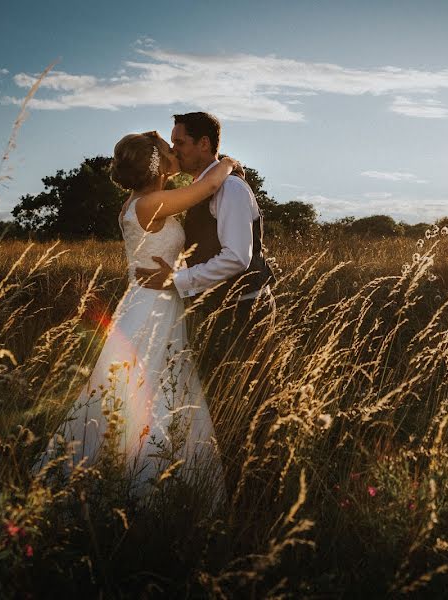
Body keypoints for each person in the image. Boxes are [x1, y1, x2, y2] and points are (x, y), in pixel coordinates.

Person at [36, 131, 238, 503]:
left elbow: (178, 185)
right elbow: (210, 185)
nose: (175, 153)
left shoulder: (135, 202)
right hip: (153, 305)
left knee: (138, 386)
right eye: (168, 152)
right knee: (152, 388)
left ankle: (127, 474)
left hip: (143, 301)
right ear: (158, 165)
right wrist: (227, 163)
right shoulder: (152, 204)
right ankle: (144, 488)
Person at [135, 112, 275, 396]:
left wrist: (176, 280)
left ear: (204, 143)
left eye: (180, 142)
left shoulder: (231, 188)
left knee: (250, 399)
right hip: (220, 311)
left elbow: (237, 257)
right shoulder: (204, 187)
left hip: (243, 312)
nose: (174, 150)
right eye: (171, 143)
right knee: (218, 397)